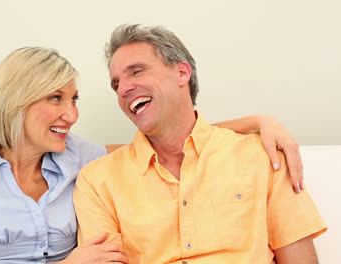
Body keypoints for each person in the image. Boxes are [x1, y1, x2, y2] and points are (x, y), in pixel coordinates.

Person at [0, 47, 304, 264]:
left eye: (73, 100)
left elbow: (171, 138)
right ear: (15, 101)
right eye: (55, 98)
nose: (71, 115)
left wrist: (258, 120)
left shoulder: (77, 158)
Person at [73, 25, 327, 264]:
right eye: (116, 84)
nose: (123, 88)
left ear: (182, 73)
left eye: (137, 71)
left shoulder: (262, 156)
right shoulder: (98, 180)